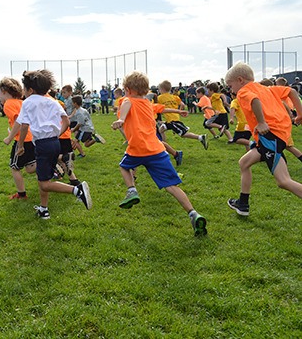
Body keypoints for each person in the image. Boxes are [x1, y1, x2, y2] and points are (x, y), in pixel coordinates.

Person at [111, 71, 207, 236]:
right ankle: (193, 213)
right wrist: (179, 112)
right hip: (157, 149)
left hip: (137, 148)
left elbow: (126, 105)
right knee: (171, 186)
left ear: (127, 89)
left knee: (124, 167)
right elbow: (163, 108)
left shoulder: (126, 100)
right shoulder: (148, 104)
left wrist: (121, 119)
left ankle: (132, 190)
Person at [225, 62, 302, 216]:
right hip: (275, 135)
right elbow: (292, 91)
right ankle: (243, 204)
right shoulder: (267, 89)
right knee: (244, 163)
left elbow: (254, 100)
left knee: (283, 181)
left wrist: (261, 122)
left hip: (270, 135)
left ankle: (243, 204)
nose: (230, 89)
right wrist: (300, 114)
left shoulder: (243, 91)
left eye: (230, 85)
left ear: (240, 80)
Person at [15, 69, 92, 219]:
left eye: (24, 89)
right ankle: (44, 209)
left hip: (43, 145)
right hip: (54, 142)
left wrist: (20, 145)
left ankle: (77, 191)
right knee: (43, 177)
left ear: (30, 90)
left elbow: (24, 126)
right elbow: (67, 121)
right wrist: (57, 134)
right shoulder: (52, 101)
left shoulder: (28, 102)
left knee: (44, 183)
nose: (23, 92)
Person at [0, 77, 36, 200]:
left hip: (22, 140)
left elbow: (18, 123)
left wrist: (10, 137)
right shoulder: (21, 102)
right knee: (30, 168)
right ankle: (50, 162)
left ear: (3, 91)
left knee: (14, 168)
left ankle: (21, 194)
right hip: (32, 138)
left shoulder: (8, 104)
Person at [157, 80, 208, 150]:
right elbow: (183, 104)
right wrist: (180, 111)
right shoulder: (175, 97)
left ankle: (200, 137)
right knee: (161, 130)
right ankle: (163, 147)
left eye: (159, 89)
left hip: (172, 120)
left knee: (183, 134)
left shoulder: (159, 98)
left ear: (162, 89)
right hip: (173, 119)